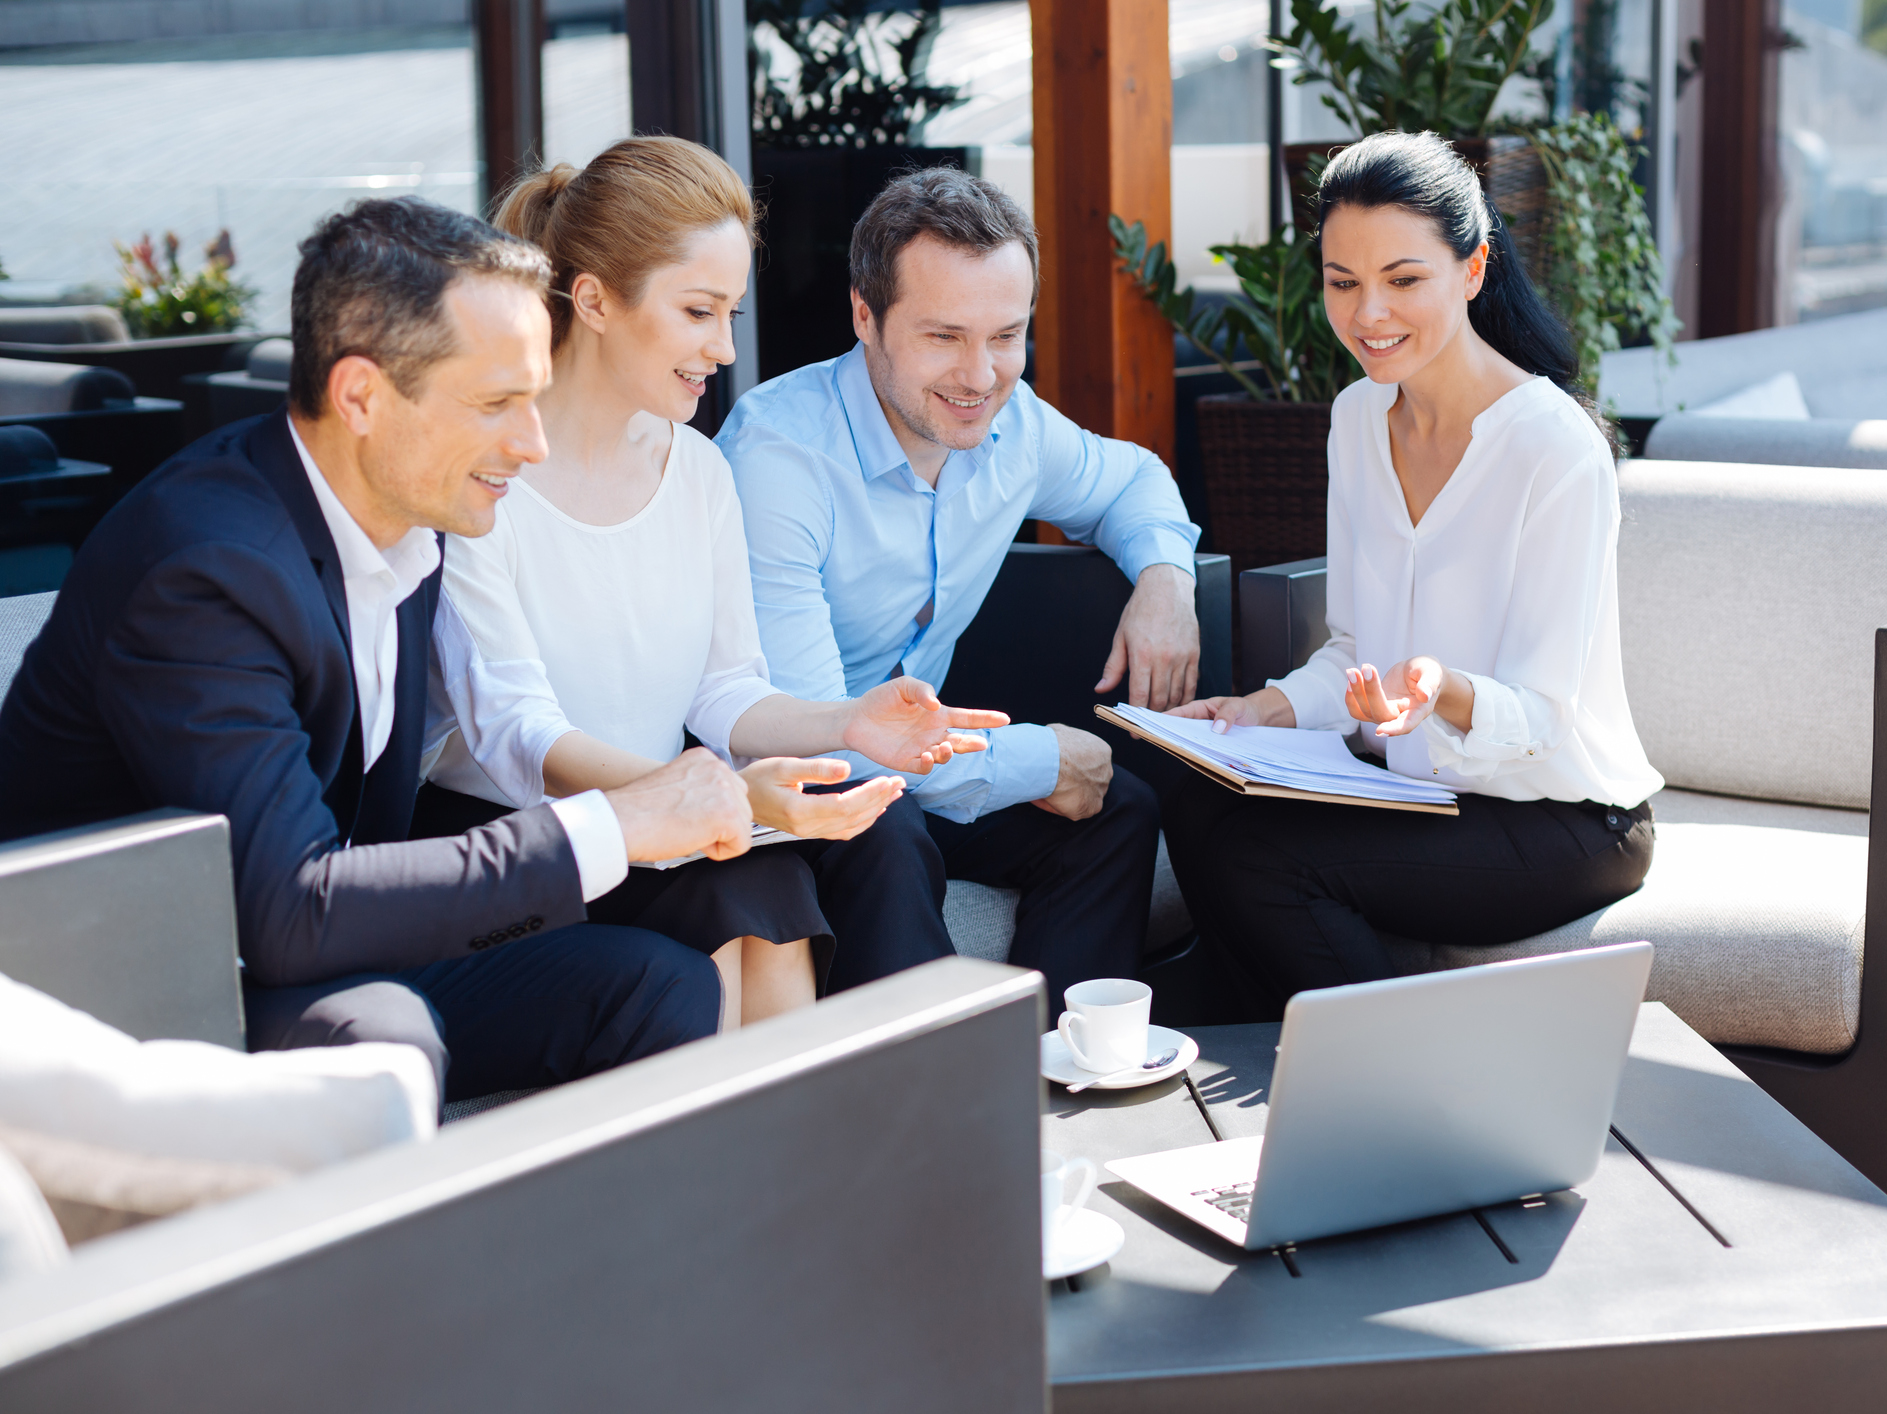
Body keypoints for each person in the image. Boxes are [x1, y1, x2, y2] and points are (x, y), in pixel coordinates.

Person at [0, 197, 761, 1102]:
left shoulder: (415, 519)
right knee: (381, 1040)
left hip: (309, 947)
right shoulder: (207, 570)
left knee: (658, 983)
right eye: (496, 403)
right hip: (129, 995)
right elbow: (287, 910)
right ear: (361, 396)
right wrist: (615, 821)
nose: (532, 442)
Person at [418, 136, 1005, 1026]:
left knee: (765, 879)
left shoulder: (696, 470)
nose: (725, 348)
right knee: (742, 888)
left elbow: (726, 687)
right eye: (698, 312)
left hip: (665, 822)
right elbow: (517, 735)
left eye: (730, 312)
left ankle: (827, 1151)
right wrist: (704, 798)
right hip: (515, 843)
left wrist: (850, 720)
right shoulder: (480, 478)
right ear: (595, 301)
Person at [1159, 131, 1663, 1008]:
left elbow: (1542, 718)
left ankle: (1392, 1083)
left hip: (1567, 822)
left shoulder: (1552, 447)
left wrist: (1438, 686)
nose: (1368, 315)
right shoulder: (1356, 418)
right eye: (1342, 283)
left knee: (1264, 860)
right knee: (1195, 792)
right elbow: (1350, 648)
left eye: (1402, 280)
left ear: (1471, 270)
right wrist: (1261, 710)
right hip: (1421, 795)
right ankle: (1267, 1064)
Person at [718, 167, 1202, 1017]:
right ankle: (936, 1114)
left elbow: (1135, 483)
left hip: (913, 761)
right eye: (944, 336)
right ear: (865, 317)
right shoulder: (778, 459)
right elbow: (823, 735)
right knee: (883, 829)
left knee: (1115, 810)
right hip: (780, 784)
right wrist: (1037, 758)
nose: (980, 375)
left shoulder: (1012, 427)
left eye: (1005, 336)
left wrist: (1163, 580)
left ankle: (1053, 1083)